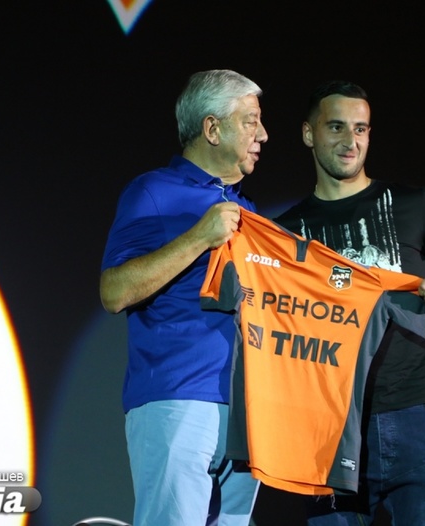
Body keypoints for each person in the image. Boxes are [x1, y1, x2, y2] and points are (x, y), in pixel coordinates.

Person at [273, 80, 425, 526]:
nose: (350, 141)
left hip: (420, 418)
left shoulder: (413, 204)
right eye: (336, 127)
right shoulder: (285, 233)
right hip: (330, 425)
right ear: (308, 134)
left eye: (360, 129)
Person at [99, 69, 268, 526]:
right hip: (177, 398)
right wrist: (198, 237)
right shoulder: (153, 191)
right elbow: (114, 292)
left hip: (246, 409)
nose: (263, 135)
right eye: (251, 122)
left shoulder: (248, 208)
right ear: (212, 128)